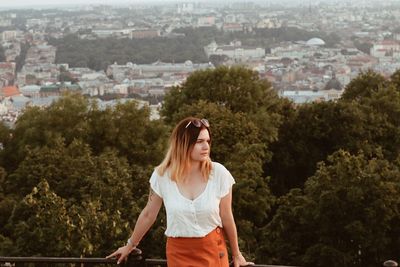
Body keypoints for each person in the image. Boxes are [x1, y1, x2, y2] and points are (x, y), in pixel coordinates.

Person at [107, 117, 254, 267]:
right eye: (199, 142)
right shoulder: (162, 175)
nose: (206, 147)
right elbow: (148, 214)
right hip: (179, 254)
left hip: (213, 251)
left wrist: (237, 254)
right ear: (183, 143)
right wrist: (130, 245)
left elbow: (226, 216)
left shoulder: (219, 173)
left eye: (207, 141)